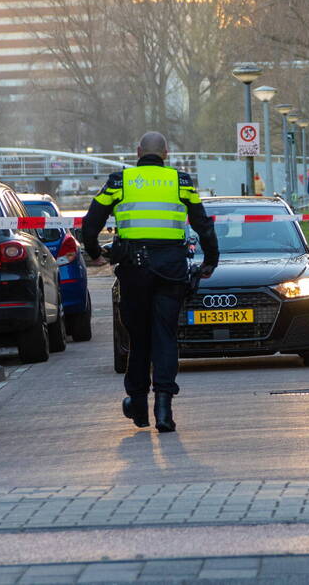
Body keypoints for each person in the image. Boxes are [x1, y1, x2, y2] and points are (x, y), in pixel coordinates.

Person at [82, 131, 219, 432]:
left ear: (138, 152)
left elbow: (90, 224)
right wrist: (211, 260)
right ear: (166, 153)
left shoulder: (119, 182)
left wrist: (95, 254)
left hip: (134, 269)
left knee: (139, 339)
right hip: (171, 270)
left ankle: (138, 404)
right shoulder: (181, 182)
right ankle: (164, 410)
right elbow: (202, 224)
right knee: (165, 337)